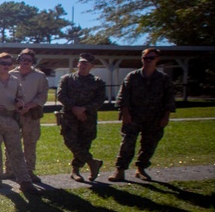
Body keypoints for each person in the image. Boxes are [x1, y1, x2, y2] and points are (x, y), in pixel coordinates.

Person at [109, 47, 176, 182]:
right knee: (127, 143)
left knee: (149, 144)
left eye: (151, 58)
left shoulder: (163, 79)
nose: (148, 61)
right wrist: (125, 113)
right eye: (145, 58)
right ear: (142, 59)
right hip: (134, 116)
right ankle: (120, 170)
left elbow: (169, 99)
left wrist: (166, 116)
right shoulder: (133, 76)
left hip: (154, 117)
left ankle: (141, 169)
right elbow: (123, 96)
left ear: (157, 60)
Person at [0, 53, 37, 193]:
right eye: (3, 63)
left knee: (16, 152)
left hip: (11, 120)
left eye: (9, 64)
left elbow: (20, 98)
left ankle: (24, 180)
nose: (6, 66)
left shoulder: (15, 81)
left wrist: (20, 104)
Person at [58, 53, 107, 182]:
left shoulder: (98, 82)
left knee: (84, 143)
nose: (83, 65)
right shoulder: (67, 79)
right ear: (78, 64)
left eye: (86, 63)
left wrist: (83, 109)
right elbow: (61, 95)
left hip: (87, 117)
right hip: (69, 116)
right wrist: (74, 108)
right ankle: (92, 162)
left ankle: (75, 170)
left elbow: (100, 99)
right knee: (70, 141)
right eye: (81, 62)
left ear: (92, 66)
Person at [8, 48, 49, 182]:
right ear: (18, 60)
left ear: (33, 62)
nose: (25, 62)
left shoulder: (40, 76)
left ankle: (29, 170)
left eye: (28, 60)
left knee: (30, 143)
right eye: (23, 59)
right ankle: (10, 170)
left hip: (31, 115)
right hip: (13, 114)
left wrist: (30, 105)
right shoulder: (10, 74)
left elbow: (42, 94)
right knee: (11, 143)